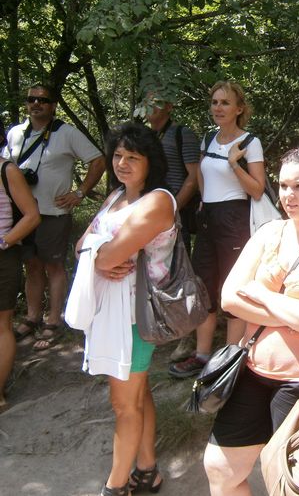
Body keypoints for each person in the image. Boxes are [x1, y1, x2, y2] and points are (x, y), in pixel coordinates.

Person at [203, 148, 299, 496]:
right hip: (252, 371)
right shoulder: (268, 233)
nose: (289, 195)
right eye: (283, 185)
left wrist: (264, 296)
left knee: (289, 483)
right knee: (220, 469)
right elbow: (229, 299)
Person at [74, 123, 175, 496]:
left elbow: (106, 256)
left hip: (135, 316)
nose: (122, 163)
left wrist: (98, 255)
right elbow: (81, 247)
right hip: (111, 312)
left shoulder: (157, 201)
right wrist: (97, 255)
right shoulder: (116, 195)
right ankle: (147, 471)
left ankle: (114, 487)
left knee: (124, 405)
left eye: (133, 157)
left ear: (151, 162)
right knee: (137, 393)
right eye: (117, 155)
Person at [169, 81, 267, 379]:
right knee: (204, 286)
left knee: (232, 287)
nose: (218, 108)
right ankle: (202, 356)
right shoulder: (209, 138)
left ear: (239, 108)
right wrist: (202, 200)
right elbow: (201, 173)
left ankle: (229, 359)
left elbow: (258, 189)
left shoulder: (250, 142)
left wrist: (235, 164)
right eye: (214, 102)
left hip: (234, 220)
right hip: (208, 218)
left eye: (225, 102)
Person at [2, 83, 105, 350]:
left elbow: (98, 160)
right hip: (22, 214)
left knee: (53, 266)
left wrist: (80, 192)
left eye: (43, 100)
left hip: (54, 212)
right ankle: (32, 317)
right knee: (31, 265)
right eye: (31, 99)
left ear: (53, 105)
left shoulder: (66, 133)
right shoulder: (15, 133)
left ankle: (54, 320)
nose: (36, 104)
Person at [0, 159, 41, 412]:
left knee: (1, 325)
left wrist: (3, 242)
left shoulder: (7, 170)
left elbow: (32, 215)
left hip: (3, 256)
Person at [143, 92, 200, 252]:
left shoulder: (182, 134)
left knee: (177, 264)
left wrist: (173, 209)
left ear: (169, 107)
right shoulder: (144, 137)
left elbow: (195, 176)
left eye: (157, 102)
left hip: (176, 216)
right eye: (147, 103)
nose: (151, 107)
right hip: (148, 213)